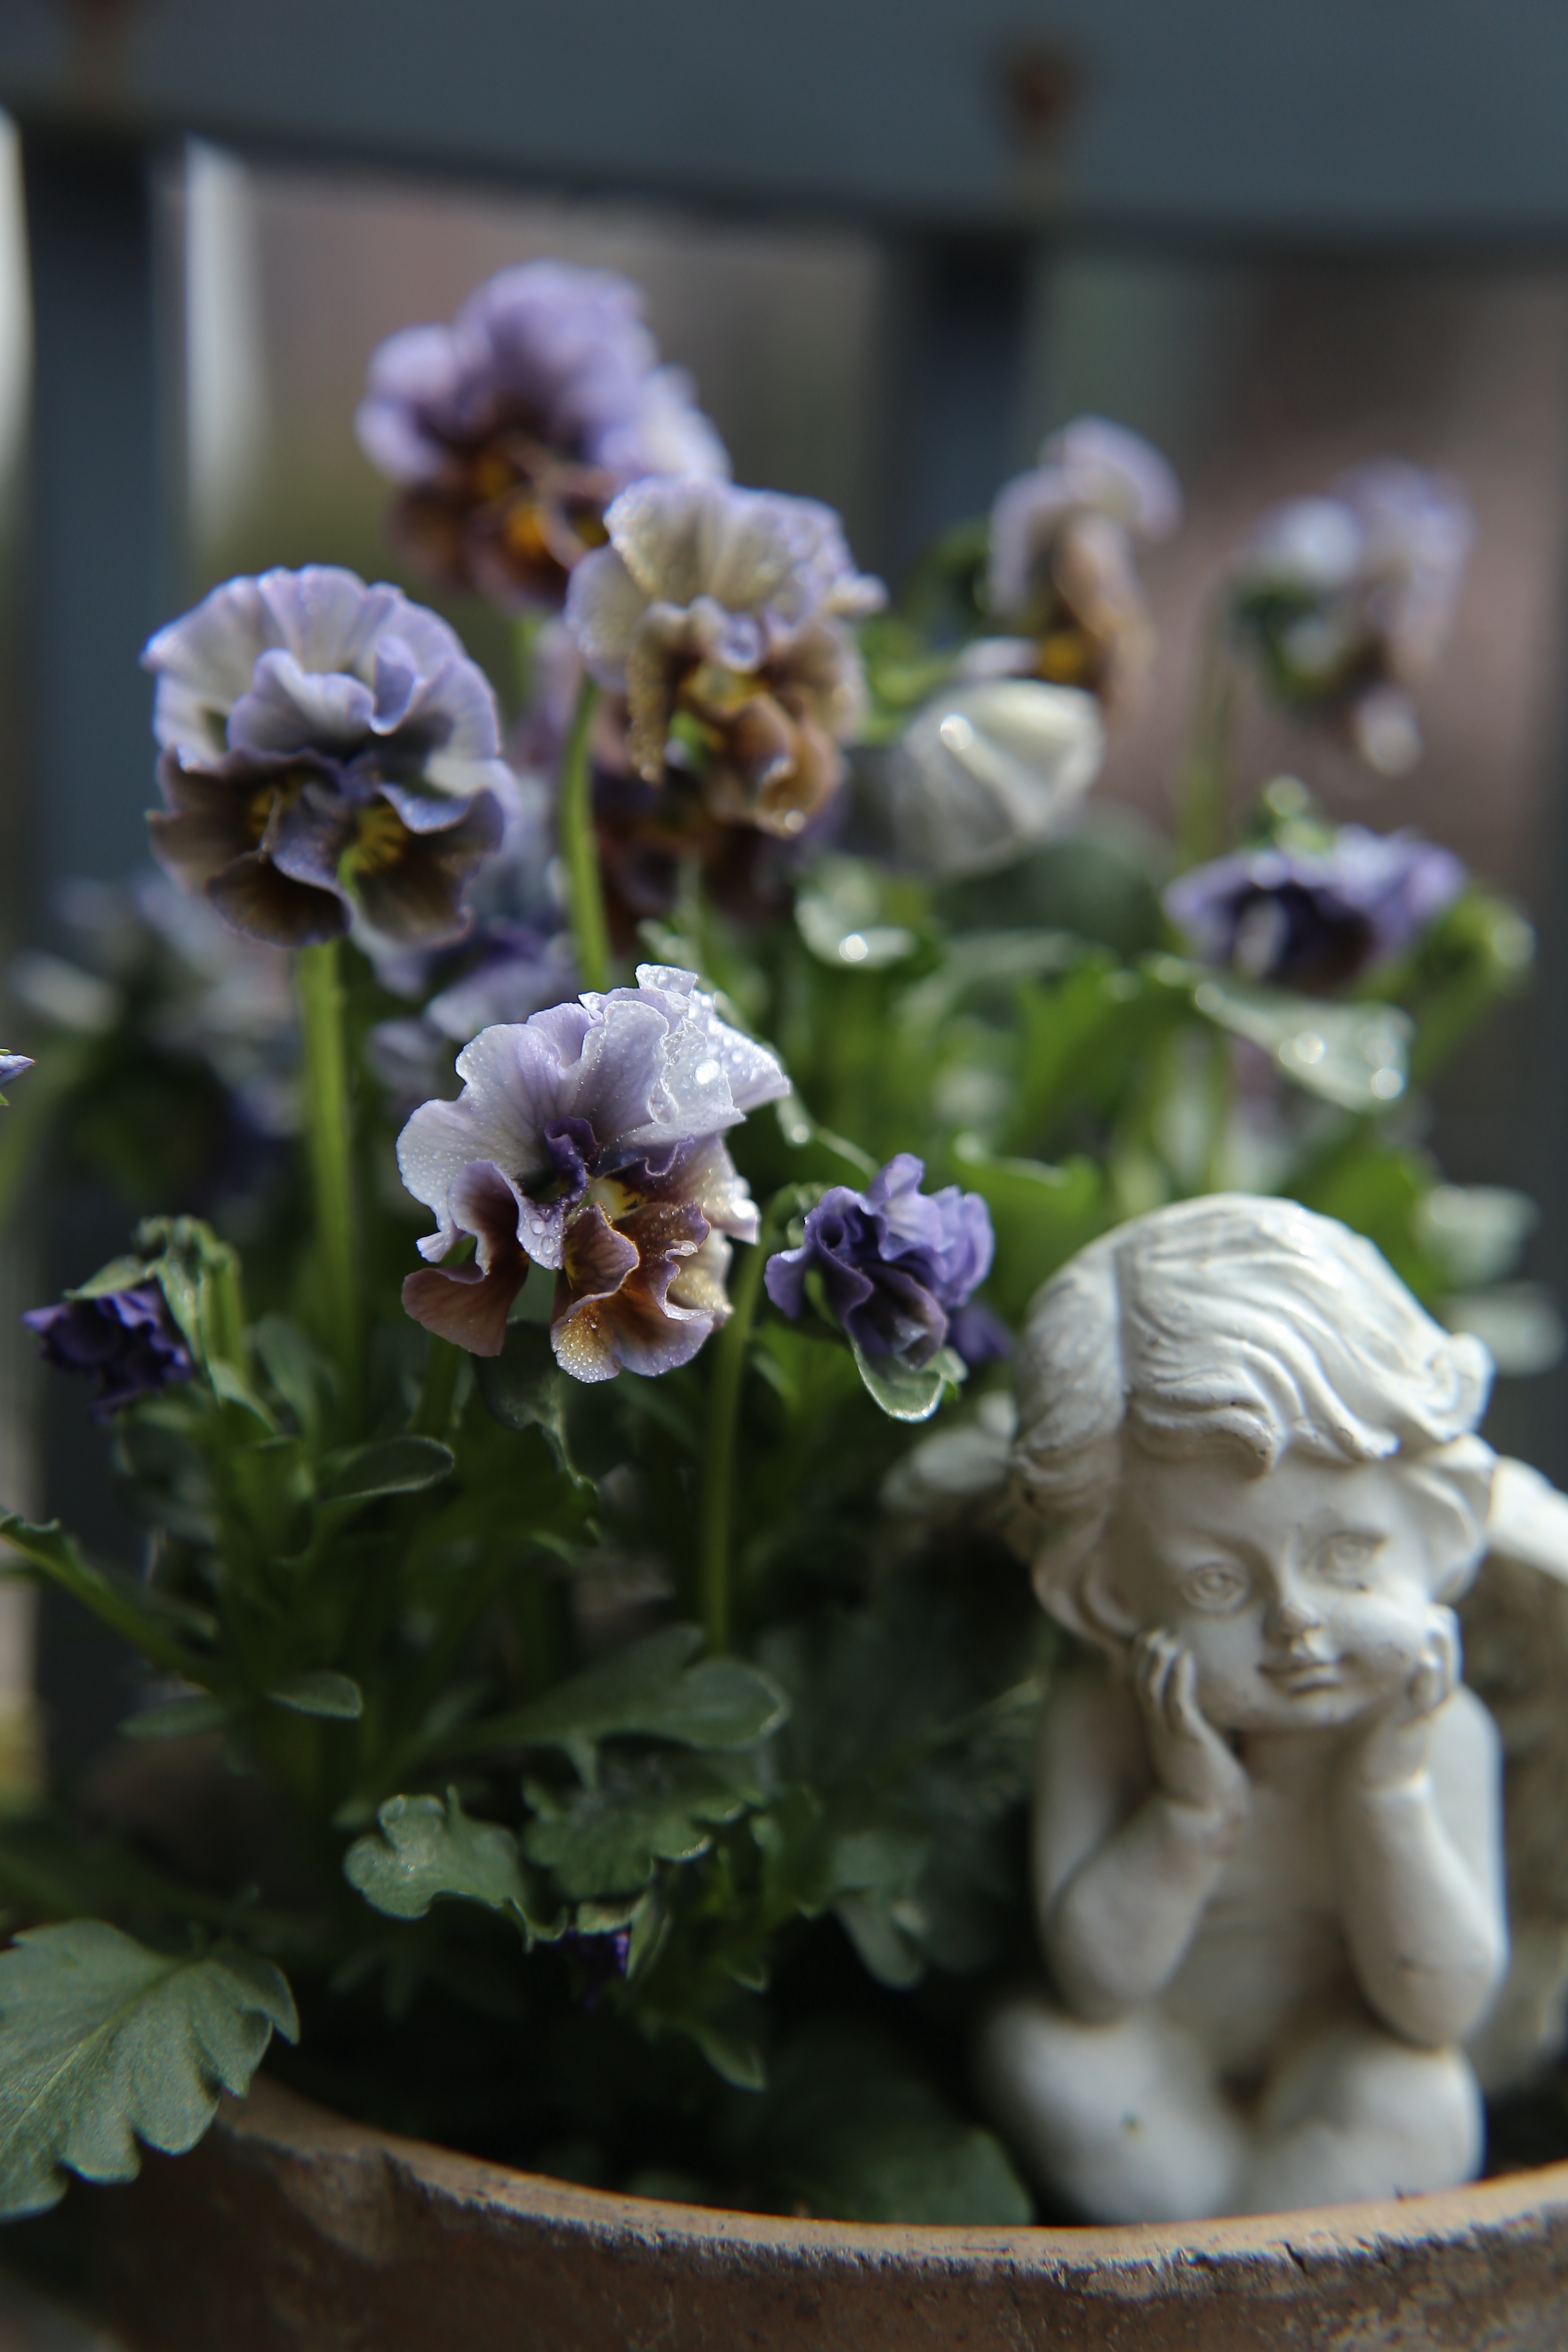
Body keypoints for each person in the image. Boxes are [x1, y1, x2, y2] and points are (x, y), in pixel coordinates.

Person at [980, 1193, 1508, 2221]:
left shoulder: (1439, 1734)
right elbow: (1097, 1985)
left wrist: (1388, 1793)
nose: (1297, 1625)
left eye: (1348, 1556)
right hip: (1163, 2071)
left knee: (1422, 2099)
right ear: (1111, 1590)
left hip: (1334, 2065)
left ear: (1440, 1521)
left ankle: (1230, 2263)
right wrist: (1188, 1811)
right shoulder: (1103, 1722)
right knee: (1042, 2056)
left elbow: (1438, 2005)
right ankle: (1237, 2258)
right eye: (1218, 1585)